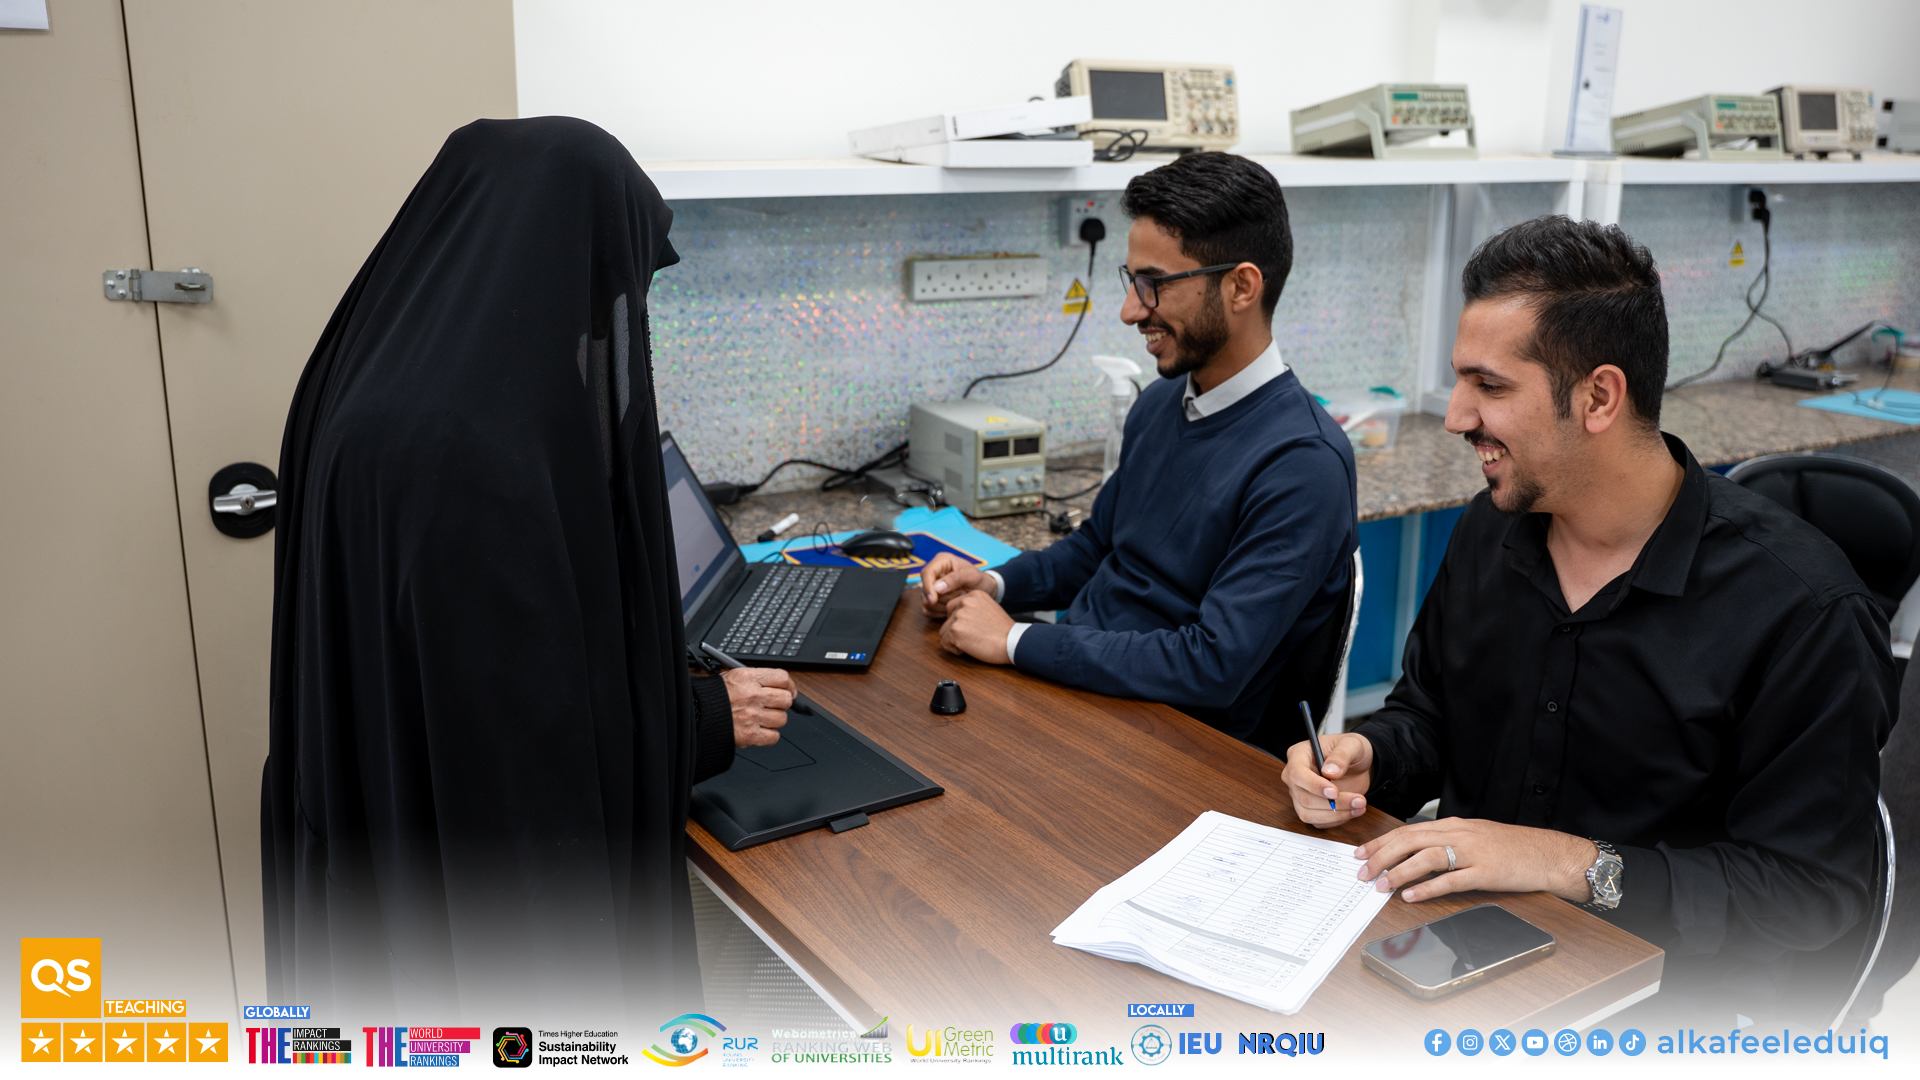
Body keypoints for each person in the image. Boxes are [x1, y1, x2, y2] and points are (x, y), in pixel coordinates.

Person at [1282, 216, 1892, 1023]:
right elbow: (1430, 715)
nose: (1457, 416)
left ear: (1599, 396)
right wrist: (1372, 756)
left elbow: (1810, 892)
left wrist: (1568, 863)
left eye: (1490, 386)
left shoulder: (1803, 611)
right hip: (1465, 950)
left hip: (1670, 1004)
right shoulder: (1490, 530)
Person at [260, 117, 792, 1022]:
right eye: (605, 295)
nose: (604, 332)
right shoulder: (477, 465)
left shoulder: (370, 386)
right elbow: (527, 777)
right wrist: (702, 720)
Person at [920, 152, 1358, 741]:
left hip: (1175, 744)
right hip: (1082, 693)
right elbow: (1095, 550)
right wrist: (994, 584)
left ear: (1241, 286)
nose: (1131, 311)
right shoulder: (1160, 403)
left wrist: (1015, 639)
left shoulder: (1304, 465)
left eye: (1155, 285)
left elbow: (1211, 665)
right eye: (1132, 282)